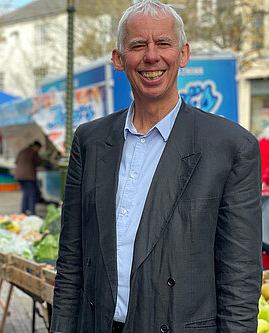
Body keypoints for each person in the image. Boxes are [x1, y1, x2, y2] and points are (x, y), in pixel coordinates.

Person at [50, 1, 262, 332]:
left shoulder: (230, 147)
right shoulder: (90, 141)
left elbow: (240, 278)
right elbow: (71, 263)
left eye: (163, 43)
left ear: (183, 54)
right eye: (138, 45)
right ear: (118, 59)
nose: (152, 56)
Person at [15, 141, 43, 215]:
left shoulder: (23, 150)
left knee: (25, 193)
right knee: (32, 194)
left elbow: (16, 161)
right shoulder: (33, 152)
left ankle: (23, 211)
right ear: (36, 146)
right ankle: (32, 211)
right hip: (29, 176)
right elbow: (39, 162)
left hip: (19, 175)